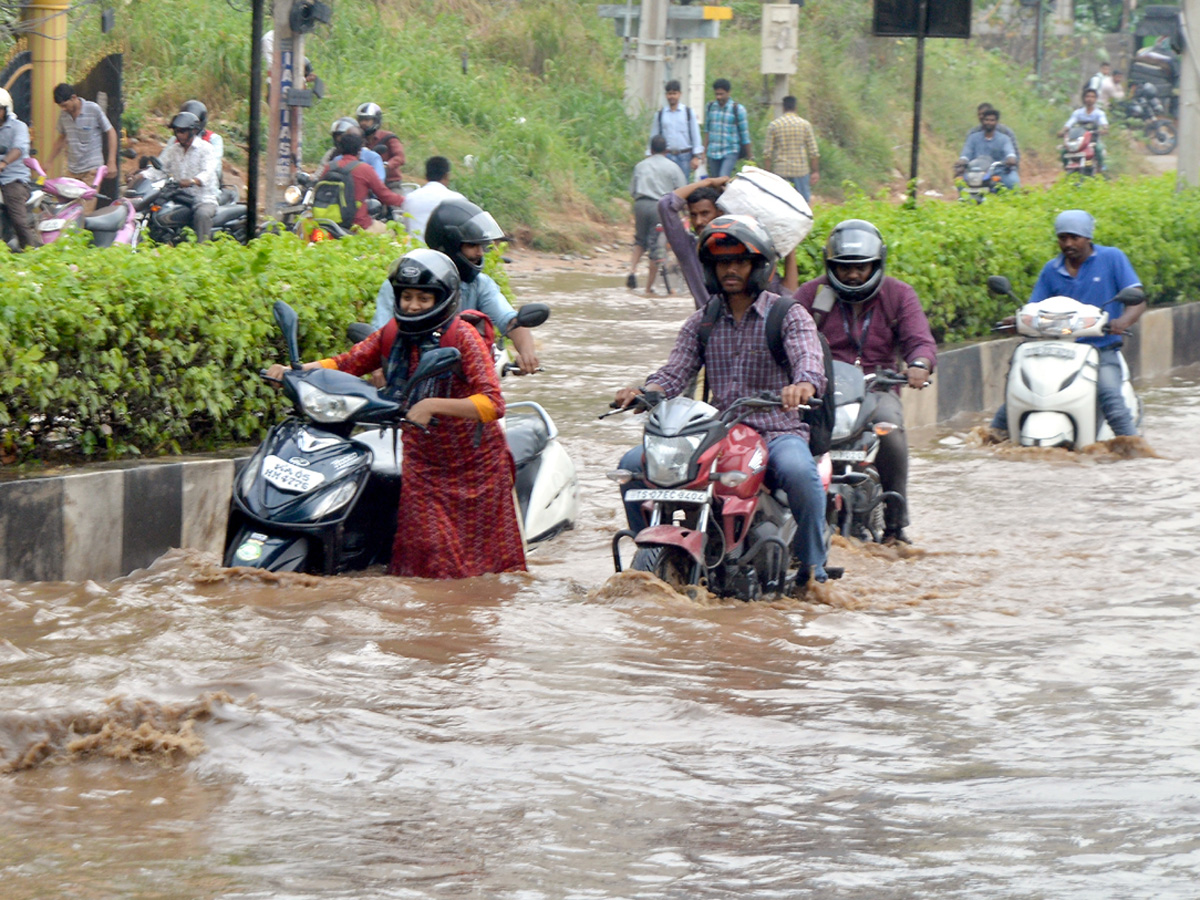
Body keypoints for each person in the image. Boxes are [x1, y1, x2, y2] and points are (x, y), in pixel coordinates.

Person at [266, 249, 526, 580]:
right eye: (406, 297)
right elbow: (349, 362)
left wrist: (432, 405)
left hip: (474, 466)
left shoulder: (463, 337)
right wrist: (294, 371)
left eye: (423, 298)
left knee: (486, 570)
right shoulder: (393, 333)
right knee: (423, 556)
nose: (413, 306)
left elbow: (492, 403)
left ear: (443, 299)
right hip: (424, 463)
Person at [612, 215, 830, 585]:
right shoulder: (703, 321)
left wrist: (803, 386)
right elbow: (675, 373)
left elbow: (809, 361)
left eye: (739, 261)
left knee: (799, 473)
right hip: (716, 433)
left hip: (777, 430)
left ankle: (814, 569)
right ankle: (650, 549)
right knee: (634, 466)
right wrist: (646, 392)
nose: (730, 270)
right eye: (721, 263)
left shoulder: (787, 314)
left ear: (757, 266)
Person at [794, 219, 937, 544]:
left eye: (862, 267)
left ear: (877, 263)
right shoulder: (812, 295)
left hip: (878, 389)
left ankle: (895, 525)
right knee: (789, 441)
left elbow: (920, 340)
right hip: (821, 392)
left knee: (891, 432)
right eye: (844, 268)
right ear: (831, 267)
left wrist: (920, 363)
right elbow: (786, 334)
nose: (853, 275)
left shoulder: (899, 294)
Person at [990, 209, 1145, 440]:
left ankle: (1134, 447)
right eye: (1063, 238)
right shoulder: (1051, 270)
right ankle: (993, 437)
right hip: (1057, 349)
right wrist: (1018, 321)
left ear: (1088, 237)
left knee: (1109, 394)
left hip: (1100, 347)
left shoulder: (1112, 258)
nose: (1068, 243)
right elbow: (1036, 307)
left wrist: (1121, 322)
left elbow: (1138, 299)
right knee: (1020, 391)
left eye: (1075, 237)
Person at [372, 198, 540, 375]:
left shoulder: (479, 284)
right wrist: (378, 369)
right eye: (472, 245)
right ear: (449, 245)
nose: (480, 253)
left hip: (464, 378)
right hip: (408, 377)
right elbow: (379, 335)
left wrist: (527, 354)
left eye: (481, 245)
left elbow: (510, 320)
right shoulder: (401, 284)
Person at [657, 175, 798, 310]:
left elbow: (786, 293)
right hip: (711, 332)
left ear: (720, 213)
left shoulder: (748, 252)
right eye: (694, 215)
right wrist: (708, 182)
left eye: (705, 213)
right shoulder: (690, 251)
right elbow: (665, 205)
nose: (699, 222)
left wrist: (790, 245)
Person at [48, 83, 118, 215]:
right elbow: (61, 138)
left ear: (73, 97)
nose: (63, 109)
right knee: (67, 212)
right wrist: (48, 162)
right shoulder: (64, 115)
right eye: (60, 106)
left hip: (92, 170)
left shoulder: (93, 109)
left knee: (83, 213)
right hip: (73, 171)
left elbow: (111, 132)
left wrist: (111, 161)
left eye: (65, 105)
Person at [629, 135, 686, 293]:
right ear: (666, 150)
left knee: (639, 240)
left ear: (651, 149)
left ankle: (632, 271)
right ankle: (649, 287)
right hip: (660, 207)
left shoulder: (640, 166)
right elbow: (681, 190)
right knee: (656, 245)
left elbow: (632, 191)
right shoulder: (673, 167)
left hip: (640, 204)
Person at [323, 127, 406, 233]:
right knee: (393, 233)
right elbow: (384, 195)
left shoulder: (330, 166)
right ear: (360, 150)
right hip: (359, 225)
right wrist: (405, 201)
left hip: (331, 223)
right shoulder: (364, 169)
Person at [154, 110, 220, 242]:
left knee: (202, 214)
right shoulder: (174, 150)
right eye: (177, 131)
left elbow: (208, 171)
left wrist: (193, 181)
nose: (179, 135)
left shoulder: (206, 149)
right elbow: (160, 169)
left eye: (182, 131)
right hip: (179, 196)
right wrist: (140, 176)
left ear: (193, 131)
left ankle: (203, 252)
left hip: (202, 198)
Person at [0, 88, 41, 250]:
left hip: (13, 179)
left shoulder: (19, 127)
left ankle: (31, 252)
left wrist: (3, 163)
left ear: (5, 109)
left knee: (18, 219)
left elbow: (18, 148)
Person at [761, 95, 820, 204]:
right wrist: (815, 171)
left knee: (781, 203)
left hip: (781, 171)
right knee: (803, 203)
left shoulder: (774, 125)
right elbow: (814, 152)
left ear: (783, 108)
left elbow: (767, 154)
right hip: (801, 171)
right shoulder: (805, 125)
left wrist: (768, 173)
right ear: (795, 107)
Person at [648, 79, 703, 180]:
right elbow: (654, 135)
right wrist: (649, 154)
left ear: (680, 94)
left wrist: (696, 156)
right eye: (669, 94)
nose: (672, 96)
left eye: (674, 93)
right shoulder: (660, 114)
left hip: (685, 157)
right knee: (666, 184)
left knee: (683, 186)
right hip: (666, 156)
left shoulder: (688, 112)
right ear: (666, 95)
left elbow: (696, 135)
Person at [400, 156, 466, 239]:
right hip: (442, 250)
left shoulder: (410, 198)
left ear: (425, 176)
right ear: (447, 176)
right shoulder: (458, 200)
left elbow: (407, 227)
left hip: (414, 249)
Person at [956, 108, 1019, 189]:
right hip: (976, 172)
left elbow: (1009, 151)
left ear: (996, 122)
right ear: (983, 121)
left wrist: (1011, 158)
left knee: (1013, 183)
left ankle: (1012, 201)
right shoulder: (973, 138)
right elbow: (966, 153)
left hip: (998, 171)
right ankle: (962, 200)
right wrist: (962, 161)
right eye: (986, 120)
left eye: (992, 120)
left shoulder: (1004, 139)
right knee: (960, 184)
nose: (989, 122)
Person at [703, 78, 751, 179]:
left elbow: (744, 134)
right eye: (716, 94)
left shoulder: (738, 109)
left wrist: (750, 157)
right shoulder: (710, 107)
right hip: (713, 152)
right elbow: (707, 130)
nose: (719, 97)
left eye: (721, 94)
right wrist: (704, 152)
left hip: (730, 150)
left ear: (728, 93)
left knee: (723, 178)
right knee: (714, 181)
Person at [316, 117, 386, 182]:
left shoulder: (371, 157)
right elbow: (321, 173)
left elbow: (379, 181)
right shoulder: (334, 156)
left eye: (342, 136)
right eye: (336, 136)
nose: (339, 140)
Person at [355, 102, 406, 187]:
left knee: (396, 200)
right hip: (365, 183)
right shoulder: (357, 140)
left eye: (367, 120)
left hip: (390, 184)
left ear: (376, 120)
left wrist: (385, 166)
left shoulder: (389, 138)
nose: (363, 123)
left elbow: (400, 157)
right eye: (361, 120)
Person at [1060, 88, 1109, 171]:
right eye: (1087, 96)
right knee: (1064, 151)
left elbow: (1104, 123)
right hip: (1079, 140)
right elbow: (1069, 123)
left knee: (1098, 149)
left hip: (1093, 140)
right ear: (1083, 98)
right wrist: (1062, 131)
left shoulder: (1099, 113)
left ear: (1096, 99)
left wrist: (1105, 129)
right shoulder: (1078, 112)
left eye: (1092, 97)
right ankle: (1065, 168)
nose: (1090, 99)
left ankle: (1100, 167)